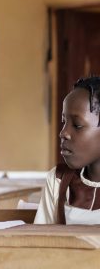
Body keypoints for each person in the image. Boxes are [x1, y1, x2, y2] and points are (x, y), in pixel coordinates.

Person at [35, 76, 100, 224]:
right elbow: (41, 241)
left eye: (77, 125)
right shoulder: (58, 180)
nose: (63, 133)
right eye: (64, 122)